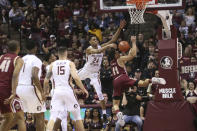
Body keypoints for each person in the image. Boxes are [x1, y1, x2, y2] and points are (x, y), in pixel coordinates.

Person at [108, 36, 166, 125]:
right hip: (122, 77)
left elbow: (128, 54)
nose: (118, 53)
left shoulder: (111, 62)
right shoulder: (120, 59)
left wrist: (124, 51)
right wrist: (134, 42)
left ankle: (119, 114)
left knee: (115, 104)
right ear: (115, 55)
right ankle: (153, 80)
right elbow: (133, 55)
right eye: (117, 52)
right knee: (142, 83)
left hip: (115, 81)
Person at [78, 20, 126, 121]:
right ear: (90, 42)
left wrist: (120, 28)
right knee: (73, 75)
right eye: (93, 39)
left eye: (96, 39)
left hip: (95, 74)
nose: (95, 40)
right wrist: (108, 46)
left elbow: (113, 40)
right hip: (86, 70)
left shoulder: (101, 46)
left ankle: (104, 113)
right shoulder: (89, 49)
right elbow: (98, 51)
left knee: (99, 93)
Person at [44, 46, 89, 131]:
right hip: (68, 90)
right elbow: (75, 78)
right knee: (77, 116)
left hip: (56, 91)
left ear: (57, 54)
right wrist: (83, 89)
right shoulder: (70, 63)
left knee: (53, 117)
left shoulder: (52, 65)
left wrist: (44, 93)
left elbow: (46, 81)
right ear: (66, 53)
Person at [16, 39, 46, 131]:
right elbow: (34, 75)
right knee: (40, 116)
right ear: (36, 48)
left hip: (19, 88)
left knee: (21, 118)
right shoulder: (36, 60)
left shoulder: (20, 59)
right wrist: (42, 92)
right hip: (30, 88)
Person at [0, 40, 26, 131]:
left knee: (8, 118)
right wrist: (13, 92)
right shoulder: (18, 59)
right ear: (18, 48)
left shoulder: (1, 57)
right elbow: (15, 75)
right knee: (20, 118)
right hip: (7, 89)